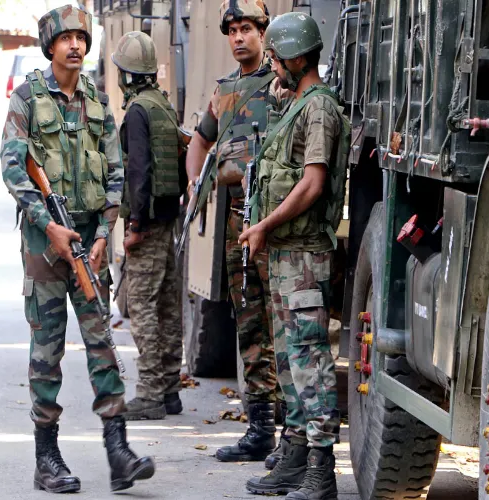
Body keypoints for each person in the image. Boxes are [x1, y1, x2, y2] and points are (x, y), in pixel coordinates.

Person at [0, 5, 155, 493]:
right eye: (65, 38)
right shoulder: (26, 98)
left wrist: (106, 232)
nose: (74, 45)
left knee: (102, 348)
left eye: (80, 38)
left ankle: (118, 451)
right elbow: (12, 169)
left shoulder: (97, 99)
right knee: (46, 353)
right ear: (50, 45)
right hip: (45, 248)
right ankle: (47, 458)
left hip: (90, 243)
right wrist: (49, 227)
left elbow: (115, 171)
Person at [239, 12, 350, 500]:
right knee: (289, 364)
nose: (274, 67)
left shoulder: (319, 109)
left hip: (305, 255)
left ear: (298, 58)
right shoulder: (297, 105)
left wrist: (263, 225)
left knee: (311, 365)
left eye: (278, 58)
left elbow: (312, 183)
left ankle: (321, 472)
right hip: (287, 255)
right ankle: (295, 457)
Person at [185, 0, 291, 466]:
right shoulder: (224, 91)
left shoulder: (282, 85)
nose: (238, 38)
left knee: (284, 322)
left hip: (278, 216)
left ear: (263, 32)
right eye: (232, 31)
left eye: (247, 28)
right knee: (249, 320)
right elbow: (201, 142)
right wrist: (196, 182)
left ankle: (294, 436)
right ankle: (261, 429)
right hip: (236, 218)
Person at [111, 30, 185, 421]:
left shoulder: (138, 110)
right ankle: (170, 389)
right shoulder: (163, 105)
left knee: (142, 307)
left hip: (149, 221)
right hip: (168, 218)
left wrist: (135, 223)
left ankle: (151, 393)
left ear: (127, 74)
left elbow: (138, 170)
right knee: (168, 306)